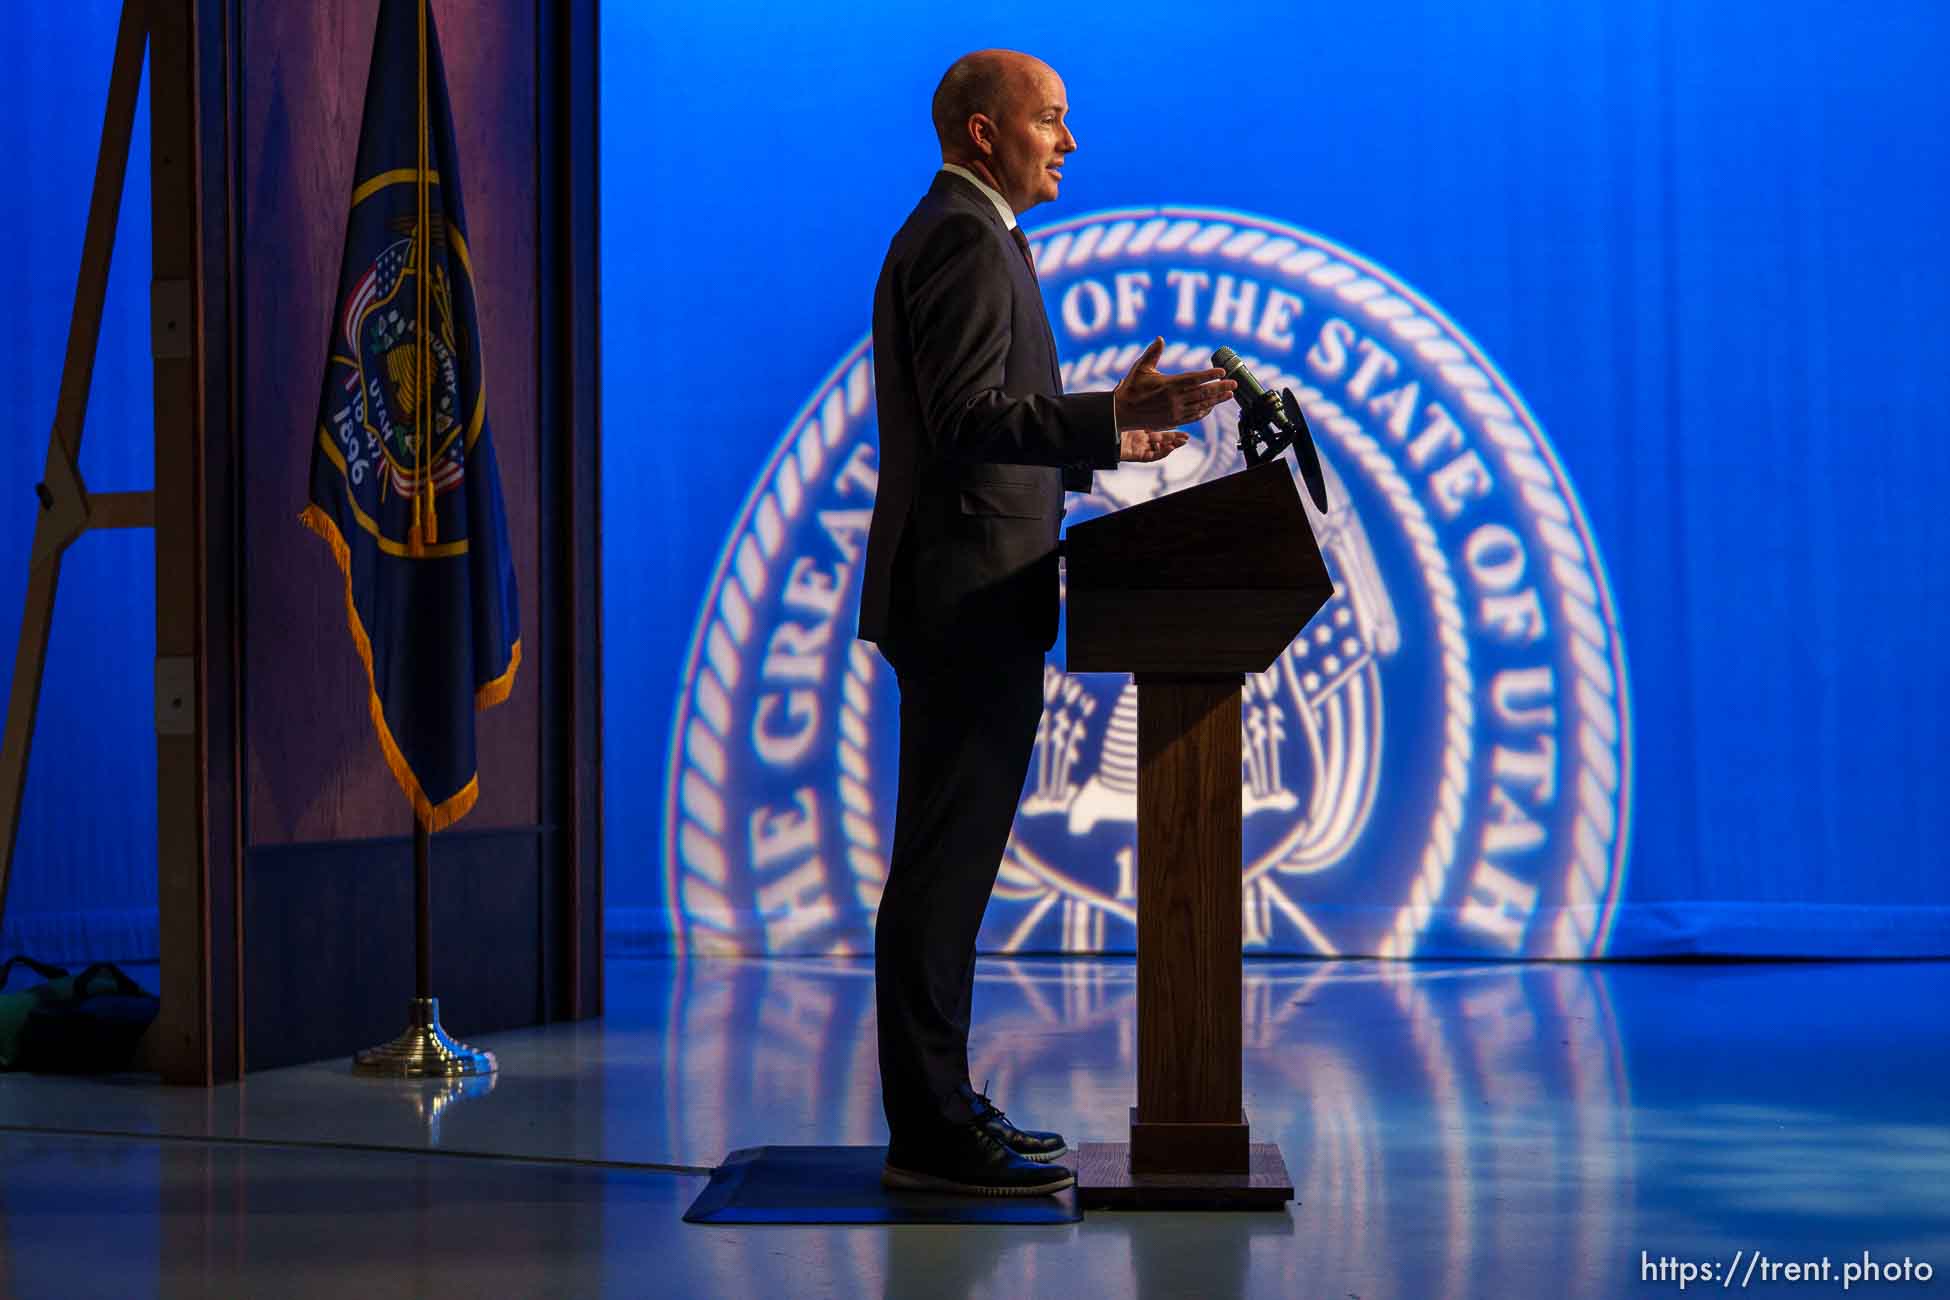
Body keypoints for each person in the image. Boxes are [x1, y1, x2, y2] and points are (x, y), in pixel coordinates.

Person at [857, 49, 1236, 1197]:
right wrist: (1100, 419)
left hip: (979, 593)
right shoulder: (965, 240)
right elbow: (970, 420)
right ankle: (930, 1129)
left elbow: (986, 424)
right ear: (985, 134)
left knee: (952, 867)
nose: (1068, 143)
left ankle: (946, 1104)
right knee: (941, 869)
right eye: (1050, 122)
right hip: (968, 599)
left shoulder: (974, 236)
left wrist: (1108, 437)